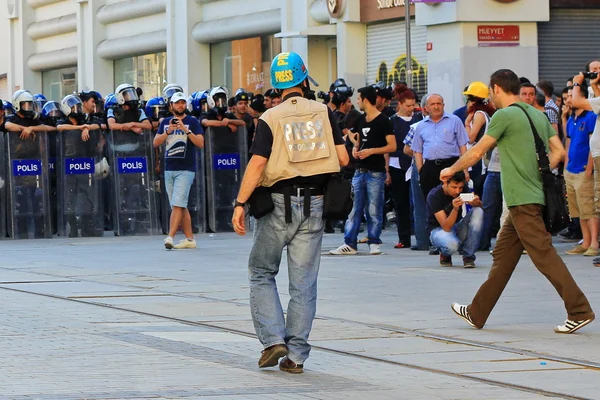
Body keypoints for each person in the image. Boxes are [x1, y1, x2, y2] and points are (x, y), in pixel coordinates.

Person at [441, 69, 594, 334]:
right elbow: (558, 151)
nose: (490, 95)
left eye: (491, 91)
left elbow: (478, 151)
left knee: (544, 256)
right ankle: (477, 312)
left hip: (522, 200)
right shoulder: (537, 113)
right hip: (528, 198)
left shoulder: (503, 115)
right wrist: (537, 170)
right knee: (503, 256)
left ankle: (579, 310)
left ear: (497, 88)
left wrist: (451, 170)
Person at [231, 52, 348, 373]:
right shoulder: (324, 112)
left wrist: (240, 203)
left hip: (278, 203)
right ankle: (296, 355)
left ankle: (272, 339)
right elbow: (343, 157)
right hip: (316, 203)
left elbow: (257, 164)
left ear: (277, 84)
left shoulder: (270, 117)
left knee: (261, 271)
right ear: (303, 77)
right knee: (304, 283)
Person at [330, 85, 397, 255]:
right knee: (354, 207)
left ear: (366, 100)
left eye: (359, 99)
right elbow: (357, 138)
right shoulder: (360, 120)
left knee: (374, 208)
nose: (356, 102)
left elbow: (392, 145)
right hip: (359, 171)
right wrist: (355, 147)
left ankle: (374, 241)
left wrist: (372, 151)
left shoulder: (383, 121)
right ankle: (350, 243)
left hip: (376, 171)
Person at [153, 92, 204, 249]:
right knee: (180, 205)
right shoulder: (166, 122)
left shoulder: (192, 121)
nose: (180, 105)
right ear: (171, 106)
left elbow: (200, 143)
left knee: (177, 204)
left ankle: (170, 237)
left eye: (183, 102)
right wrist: (168, 131)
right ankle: (190, 239)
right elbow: (155, 142)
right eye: (177, 103)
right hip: (169, 168)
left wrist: (186, 130)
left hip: (186, 168)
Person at [561, 83, 599, 257]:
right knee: (578, 211)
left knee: (589, 209)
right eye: (567, 96)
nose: (567, 99)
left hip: (584, 171)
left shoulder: (591, 117)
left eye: (571, 96)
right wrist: (566, 168)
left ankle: (594, 243)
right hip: (571, 170)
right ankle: (585, 241)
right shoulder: (571, 119)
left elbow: (593, 145)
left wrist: (589, 170)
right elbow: (568, 143)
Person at [427, 171, 483, 268]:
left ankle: (468, 256)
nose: (457, 191)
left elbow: (480, 206)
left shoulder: (464, 189)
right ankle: (446, 254)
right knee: (452, 245)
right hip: (438, 230)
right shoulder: (434, 195)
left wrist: (476, 202)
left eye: (460, 188)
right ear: (445, 183)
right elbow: (446, 227)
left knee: (478, 211)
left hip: (457, 227)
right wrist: (455, 209)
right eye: (454, 187)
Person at [389, 84, 421, 248]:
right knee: (400, 202)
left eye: (413, 105)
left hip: (416, 163)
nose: (411, 109)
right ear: (399, 104)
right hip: (397, 164)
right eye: (408, 106)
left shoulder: (420, 119)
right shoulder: (392, 121)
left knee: (417, 201)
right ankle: (404, 237)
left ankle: (421, 234)